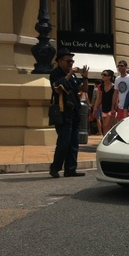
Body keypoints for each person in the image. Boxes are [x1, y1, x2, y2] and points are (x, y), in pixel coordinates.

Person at [49, 48, 89, 178]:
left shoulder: (72, 75)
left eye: (72, 61)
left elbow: (83, 88)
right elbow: (58, 87)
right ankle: (55, 168)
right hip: (63, 112)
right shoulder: (55, 73)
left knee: (74, 143)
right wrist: (70, 73)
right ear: (60, 61)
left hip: (74, 112)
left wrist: (85, 78)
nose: (71, 63)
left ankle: (70, 169)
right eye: (68, 61)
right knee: (63, 142)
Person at [94, 69, 116, 135]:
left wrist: (114, 108)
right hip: (104, 108)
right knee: (107, 127)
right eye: (102, 74)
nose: (103, 76)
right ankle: (107, 140)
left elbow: (116, 98)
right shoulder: (101, 86)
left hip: (111, 109)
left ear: (110, 77)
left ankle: (105, 141)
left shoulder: (114, 87)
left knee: (106, 126)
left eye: (105, 75)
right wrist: (95, 108)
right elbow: (99, 98)